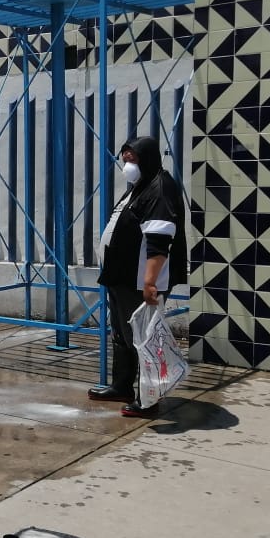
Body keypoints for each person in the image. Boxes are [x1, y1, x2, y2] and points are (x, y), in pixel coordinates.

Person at [89, 136, 188, 417]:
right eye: (125, 159)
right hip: (120, 277)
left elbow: (160, 240)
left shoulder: (160, 187)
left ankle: (149, 399)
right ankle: (122, 386)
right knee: (122, 334)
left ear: (147, 158)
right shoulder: (138, 188)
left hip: (139, 282)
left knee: (144, 340)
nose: (127, 164)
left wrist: (150, 282)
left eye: (132, 158)